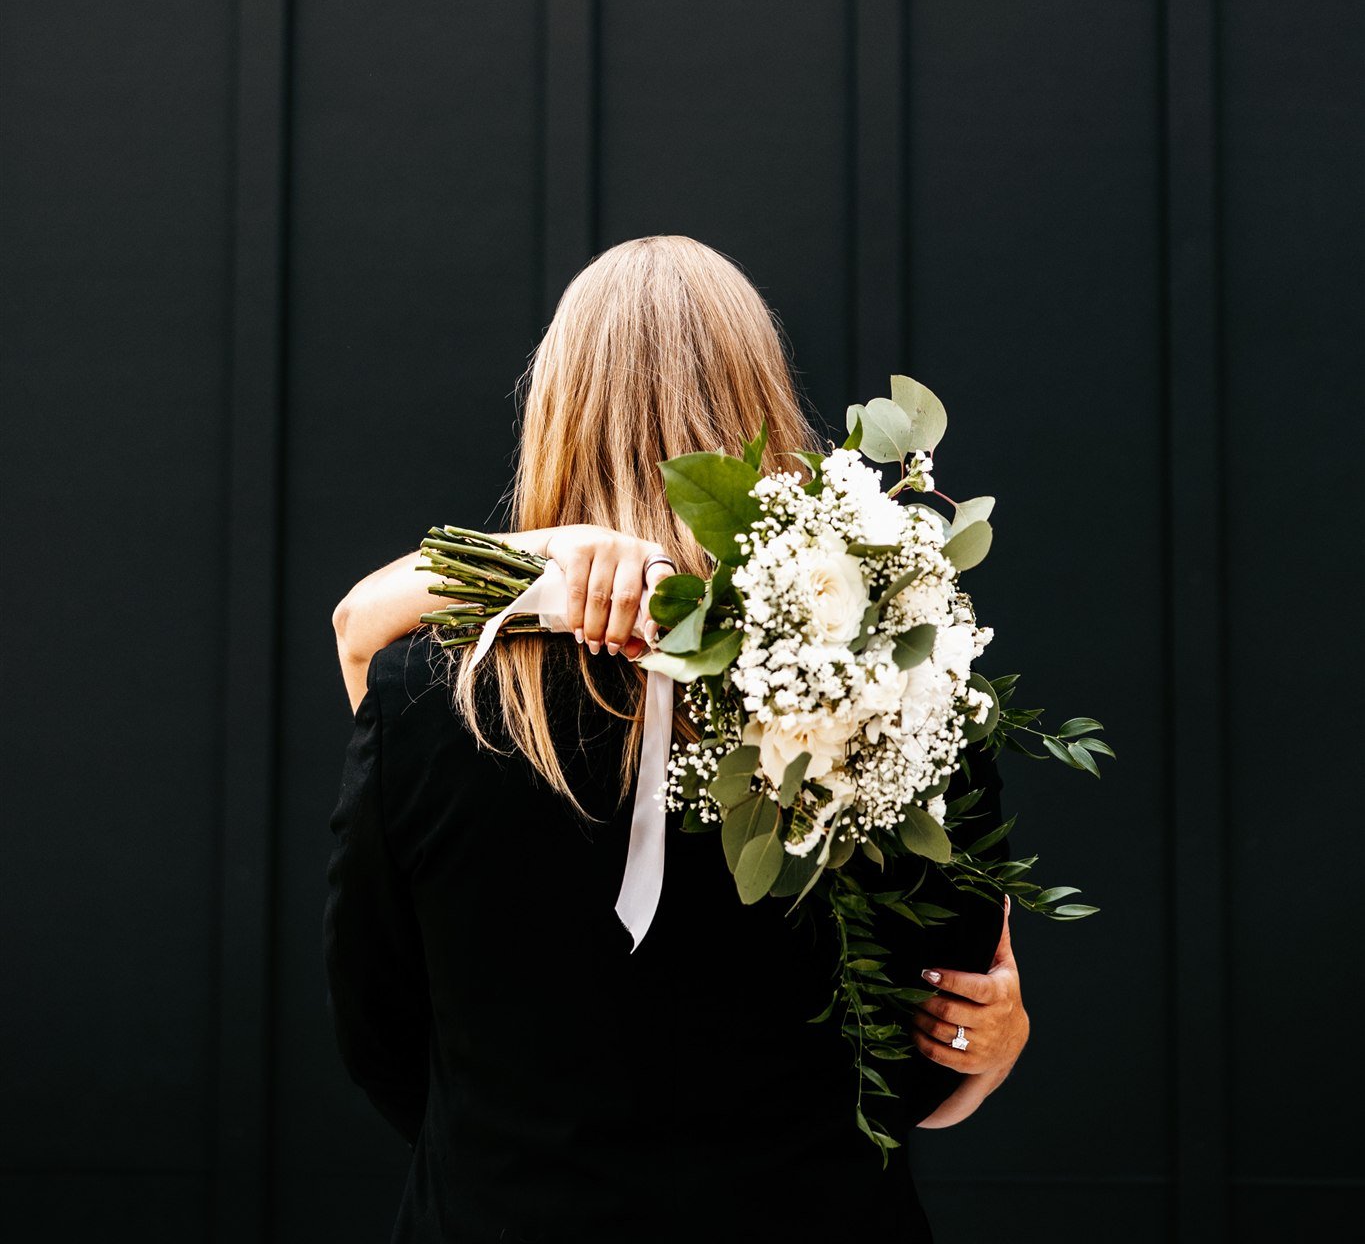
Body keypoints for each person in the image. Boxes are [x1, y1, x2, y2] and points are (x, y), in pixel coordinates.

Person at [325, 236, 1030, 1243]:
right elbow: (936, 1063)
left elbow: (379, 1037)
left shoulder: (426, 697)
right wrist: (995, 1041)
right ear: (768, 397)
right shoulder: (900, 687)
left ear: (553, 411)